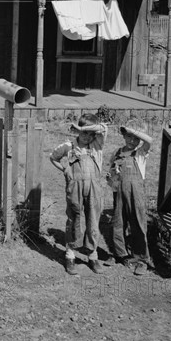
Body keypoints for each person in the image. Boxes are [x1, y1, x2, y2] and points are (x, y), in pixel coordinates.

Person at [50, 113, 108, 275]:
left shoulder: (97, 146)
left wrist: (85, 128)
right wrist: (65, 170)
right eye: (83, 133)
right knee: (74, 218)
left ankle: (92, 255)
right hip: (75, 186)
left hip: (94, 187)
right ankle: (70, 255)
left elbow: (104, 128)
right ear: (77, 132)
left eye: (90, 134)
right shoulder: (69, 146)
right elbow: (53, 157)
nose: (86, 137)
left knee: (93, 220)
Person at [107, 126, 153, 276]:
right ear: (124, 137)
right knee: (118, 222)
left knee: (138, 223)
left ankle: (141, 259)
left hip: (136, 193)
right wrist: (113, 180)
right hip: (119, 191)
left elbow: (150, 140)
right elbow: (111, 174)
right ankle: (120, 254)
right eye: (129, 137)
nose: (132, 141)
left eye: (135, 138)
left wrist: (133, 130)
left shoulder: (140, 154)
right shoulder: (116, 153)